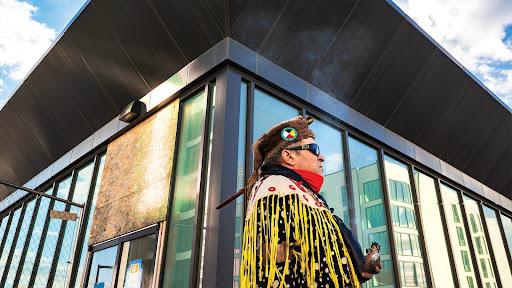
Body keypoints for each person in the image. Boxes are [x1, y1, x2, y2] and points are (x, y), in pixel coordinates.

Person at [218, 116, 381, 288]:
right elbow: (277, 273)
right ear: (289, 156)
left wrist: (360, 266)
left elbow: (317, 261)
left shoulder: (301, 193)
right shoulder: (277, 191)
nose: (322, 157)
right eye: (314, 149)